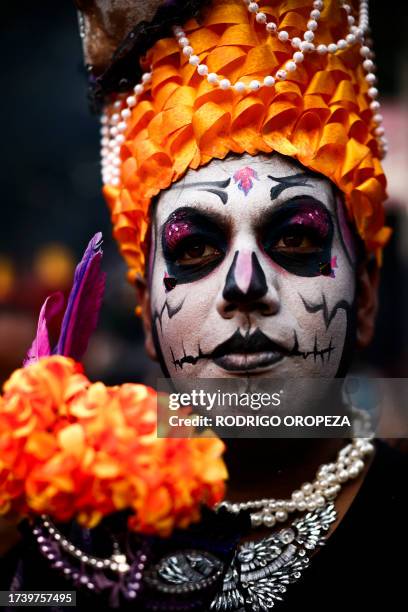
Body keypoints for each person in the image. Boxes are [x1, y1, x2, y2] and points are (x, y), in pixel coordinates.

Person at [1, 1, 406, 610]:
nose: (244, 284)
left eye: (294, 238)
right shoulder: (63, 548)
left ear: (367, 295)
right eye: (194, 248)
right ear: (145, 310)